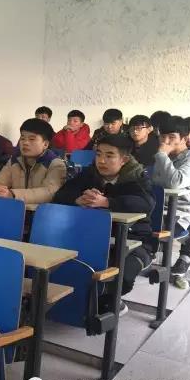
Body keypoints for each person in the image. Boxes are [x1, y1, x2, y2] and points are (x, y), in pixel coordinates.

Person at [53, 135, 155, 315]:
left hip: (135, 240)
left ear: (124, 159)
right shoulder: (90, 174)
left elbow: (147, 204)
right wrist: (77, 199)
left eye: (109, 156)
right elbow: (61, 195)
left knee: (122, 272)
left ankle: (110, 301)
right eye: (98, 154)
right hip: (93, 237)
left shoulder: (136, 177)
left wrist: (107, 202)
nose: (101, 160)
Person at [151, 117, 190, 289]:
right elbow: (154, 182)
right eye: (162, 137)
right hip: (156, 207)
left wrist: (161, 155)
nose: (165, 142)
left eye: (171, 137)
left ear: (184, 138)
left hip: (179, 213)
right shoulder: (166, 157)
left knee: (143, 232)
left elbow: (175, 182)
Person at [0, 118, 66, 204]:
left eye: (32, 139)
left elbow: (49, 193)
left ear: (45, 144)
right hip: (15, 208)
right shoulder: (14, 160)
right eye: (22, 138)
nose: (25, 143)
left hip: (40, 211)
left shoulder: (55, 164)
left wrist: (12, 194)